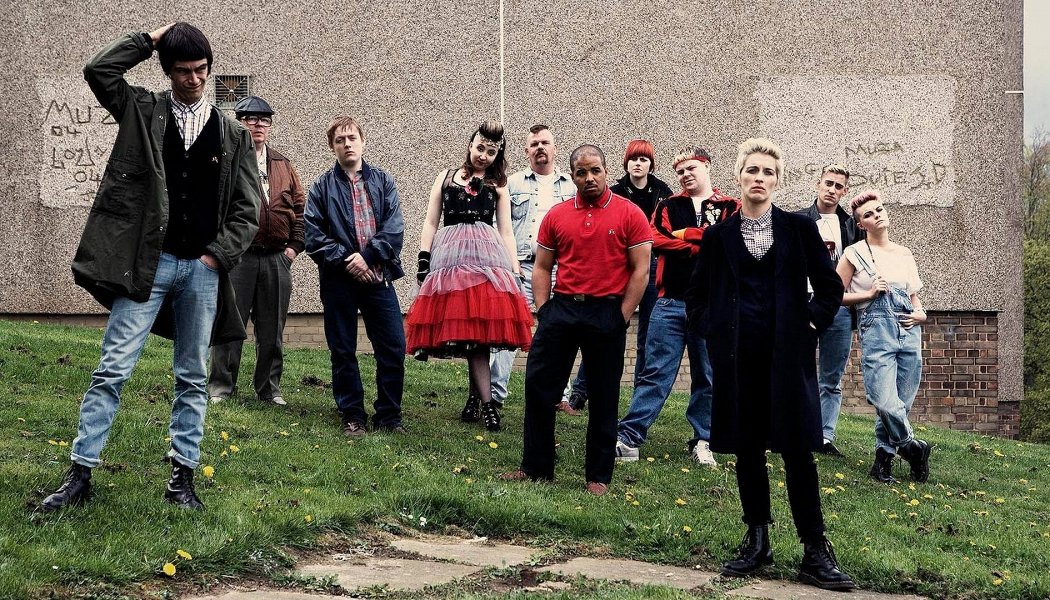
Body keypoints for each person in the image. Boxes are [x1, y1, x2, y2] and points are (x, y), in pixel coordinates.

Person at [40, 22, 259, 512]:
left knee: (192, 376)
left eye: (201, 70)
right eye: (183, 71)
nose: (194, 79)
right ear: (167, 71)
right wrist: (149, 40)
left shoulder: (234, 135)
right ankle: (80, 475)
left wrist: (216, 255)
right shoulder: (141, 110)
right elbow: (99, 71)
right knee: (112, 369)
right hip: (147, 267)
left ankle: (182, 479)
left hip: (202, 271)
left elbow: (249, 210)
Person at [686, 138, 854, 590]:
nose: (759, 178)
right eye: (752, 170)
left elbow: (830, 287)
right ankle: (757, 540)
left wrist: (811, 324)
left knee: (798, 450)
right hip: (738, 359)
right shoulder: (718, 237)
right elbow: (696, 297)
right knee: (748, 448)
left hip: (788, 359)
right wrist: (715, 330)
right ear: (739, 176)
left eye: (768, 172)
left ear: (778, 181)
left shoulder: (799, 229)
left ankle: (815, 551)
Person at [500, 144, 652, 496]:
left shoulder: (630, 214)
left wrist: (621, 315)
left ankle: (598, 476)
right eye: (581, 173)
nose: (589, 178)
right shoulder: (557, 215)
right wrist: (545, 310)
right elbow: (542, 267)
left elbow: (640, 271)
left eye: (595, 170)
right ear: (573, 176)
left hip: (606, 312)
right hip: (562, 310)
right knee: (539, 386)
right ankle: (536, 467)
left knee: (603, 394)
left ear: (606, 170)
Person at [406, 121, 533, 432]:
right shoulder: (446, 177)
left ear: (497, 155)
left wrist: (514, 270)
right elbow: (431, 222)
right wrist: (424, 258)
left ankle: (483, 403)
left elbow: (506, 231)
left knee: (480, 335)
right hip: (451, 259)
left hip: (486, 258)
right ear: (470, 145)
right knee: (468, 334)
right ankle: (480, 401)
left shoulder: (498, 184)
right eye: (480, 148)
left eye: (491, 152)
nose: (483, 156)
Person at [616, 146, 738, 466]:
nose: (685, 175)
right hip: (669, 302)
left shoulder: (730, 207)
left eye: (691, 168)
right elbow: (656, 239)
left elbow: (729, 243)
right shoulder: (667, 205)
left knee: (707, 375)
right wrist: (702, 242)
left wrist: (684, 236)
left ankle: (703, 440)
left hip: (711, 306)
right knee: (655, 372)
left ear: (707, 166)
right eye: (680, 171)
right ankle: (629, 437)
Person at [305, 116, 407, 437]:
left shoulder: (383, 181)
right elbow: (313, 236)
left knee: (393, 347)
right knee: (343, 349)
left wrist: (368, 258)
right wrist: (349, 262)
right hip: (339, 281)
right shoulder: (321, 187)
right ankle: (352, 415)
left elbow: (394, 229)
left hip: (378, 277)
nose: (347, 144)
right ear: (332, 146)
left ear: (362, 141)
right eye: (340, 140)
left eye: (352, 138)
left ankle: (389, 416)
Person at [209, 95, 306, 407]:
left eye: (264, 120)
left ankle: (269, 389)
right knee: (229, 325)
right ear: (239, 123)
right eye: (250, 119)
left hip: (277, 257)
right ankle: (221, 387)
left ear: (270, 125)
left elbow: (300, 210)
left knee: (272, 329)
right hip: (239, 258)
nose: (257, 124)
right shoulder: (226, 159)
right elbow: (212, 208)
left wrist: (293, 249)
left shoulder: (282, 164)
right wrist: (223, 250)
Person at [566, 139, 674, 412]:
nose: (638, 164)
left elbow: (666, 232)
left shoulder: (664, 194)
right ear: (625, 163)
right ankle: (581, 391)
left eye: (644, 159)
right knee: (602, 329)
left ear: (651, 165)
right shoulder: (614, 192)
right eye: (633, 159)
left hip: (651, 266)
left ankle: (639, 394)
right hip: (618, 265)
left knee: (647, 336)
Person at [837, 189, 930, 484]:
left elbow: (913, 296)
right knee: (884, 399)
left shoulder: (903, 253)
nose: (876, 216)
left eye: (879, 210)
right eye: (868, 214)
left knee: (902, 401)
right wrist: (867, 293)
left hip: (909, 330)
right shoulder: (854, 253)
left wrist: (921, 313)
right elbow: (834, 295)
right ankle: (913, 448)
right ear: (860, 224)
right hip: (877, 331)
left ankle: (883, 462)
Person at [489, 124, 575, 410]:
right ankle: (494, 395)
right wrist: (508, 266)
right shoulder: (512, 184)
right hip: (521, 268)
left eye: (545, 143)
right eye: (534, 144)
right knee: (508, 330)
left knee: (558, 331)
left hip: (560, 270)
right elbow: (497, 226)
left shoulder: (571, 186)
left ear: (555, 148)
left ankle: (559, 395)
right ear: (526, 151)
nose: (540, 148)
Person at [794, 164, 862, 456]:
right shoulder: (798, 220)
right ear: (818, 184)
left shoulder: (852, 226)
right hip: (804, 304)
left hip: (838, 308)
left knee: (831, 378)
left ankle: (824, 436)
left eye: (838, 186)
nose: (832, 190)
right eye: (828, 183)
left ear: (845, 191)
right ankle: (794, 430)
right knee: (796, 369)